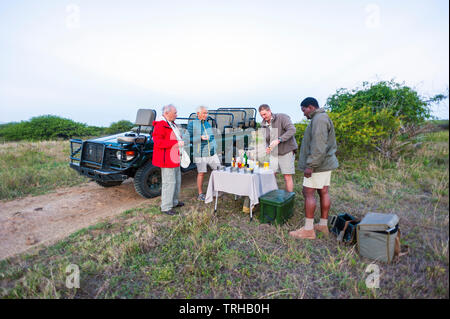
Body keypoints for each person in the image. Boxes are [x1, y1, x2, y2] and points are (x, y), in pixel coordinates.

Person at [289, 97, 339, 240]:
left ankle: (308, 230)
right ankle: (322, 225)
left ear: (310, 107)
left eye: (304, 110)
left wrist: (310, 165)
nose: (304, 114)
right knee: (324, 191)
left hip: (318, 165)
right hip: (325, 163)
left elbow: (318, 145)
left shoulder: (319, 120)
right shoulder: (321, 118)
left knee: (308, 192)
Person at [152, 104, 185, 215]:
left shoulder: (171, 124)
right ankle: (166, 207)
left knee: (177, 181)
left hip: (174, 157)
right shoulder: (160, 125)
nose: (176, 114)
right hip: (167, 159)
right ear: (166, 113)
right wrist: (176, 143)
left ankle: (174, 202)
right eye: (175, 112)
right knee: (169, 183)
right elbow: (158, 142)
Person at [259, 104, 298, 192]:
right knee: (271, 175)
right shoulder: (263, 125)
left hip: (286, 151)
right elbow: (265, 140)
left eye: (264, 114)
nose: (263, 117)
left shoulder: (282, 117)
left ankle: (288, 199)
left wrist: (279, 139)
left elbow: (292, 130)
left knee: (287, 176)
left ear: (269, 111)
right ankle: (272, 197)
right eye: (261, 115)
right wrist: (266, 148)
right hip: (274, 153)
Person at [187, 106, 221, 201]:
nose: (206, 115)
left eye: (207, 113)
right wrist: (200, 138)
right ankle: (200, 194)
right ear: (198, 114)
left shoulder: (207, 124)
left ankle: (216, 190)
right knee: (201, 173)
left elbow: (211, 137)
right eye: (204, 113)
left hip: (211, 152)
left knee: (218, 170)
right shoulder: (192, 124)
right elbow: (188, 139)